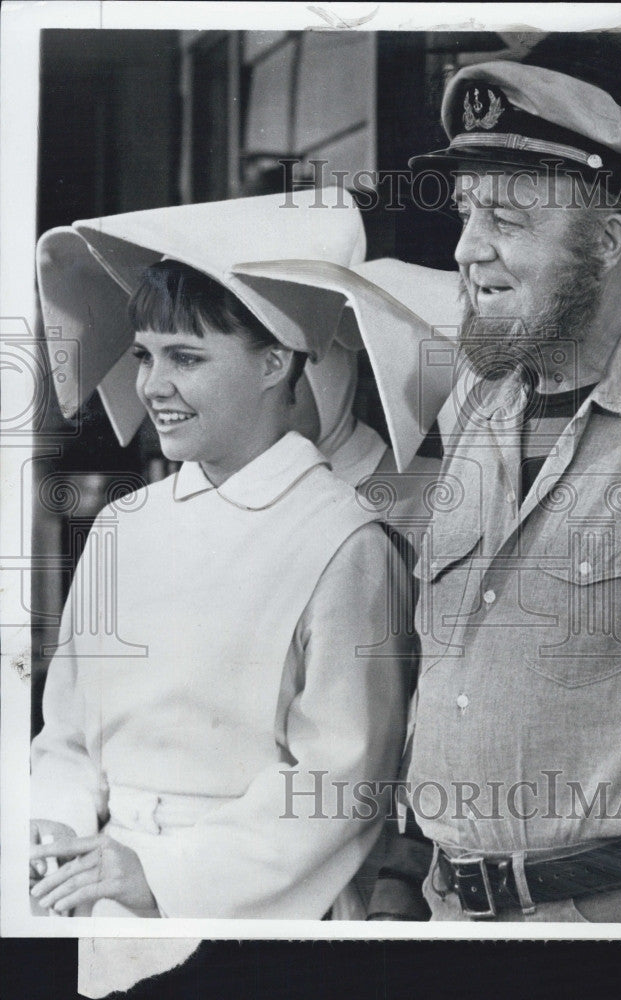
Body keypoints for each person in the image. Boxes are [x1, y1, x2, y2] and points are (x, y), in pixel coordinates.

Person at [389, 31, 621, 922]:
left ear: (607, 240)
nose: (465, 250)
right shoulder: (479, 409)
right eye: (465, 211)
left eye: (507, 219)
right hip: (450, 917)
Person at [30, 212, 412, 919]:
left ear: (275, 362)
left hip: (259, 912)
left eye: (186, 358)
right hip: (101, 898)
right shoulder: (123, 526)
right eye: (145, 356)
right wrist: (58, 824)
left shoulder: (344, 541)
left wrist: (163, 876)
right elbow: (68, 736)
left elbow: (341, 782)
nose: (152, 386)